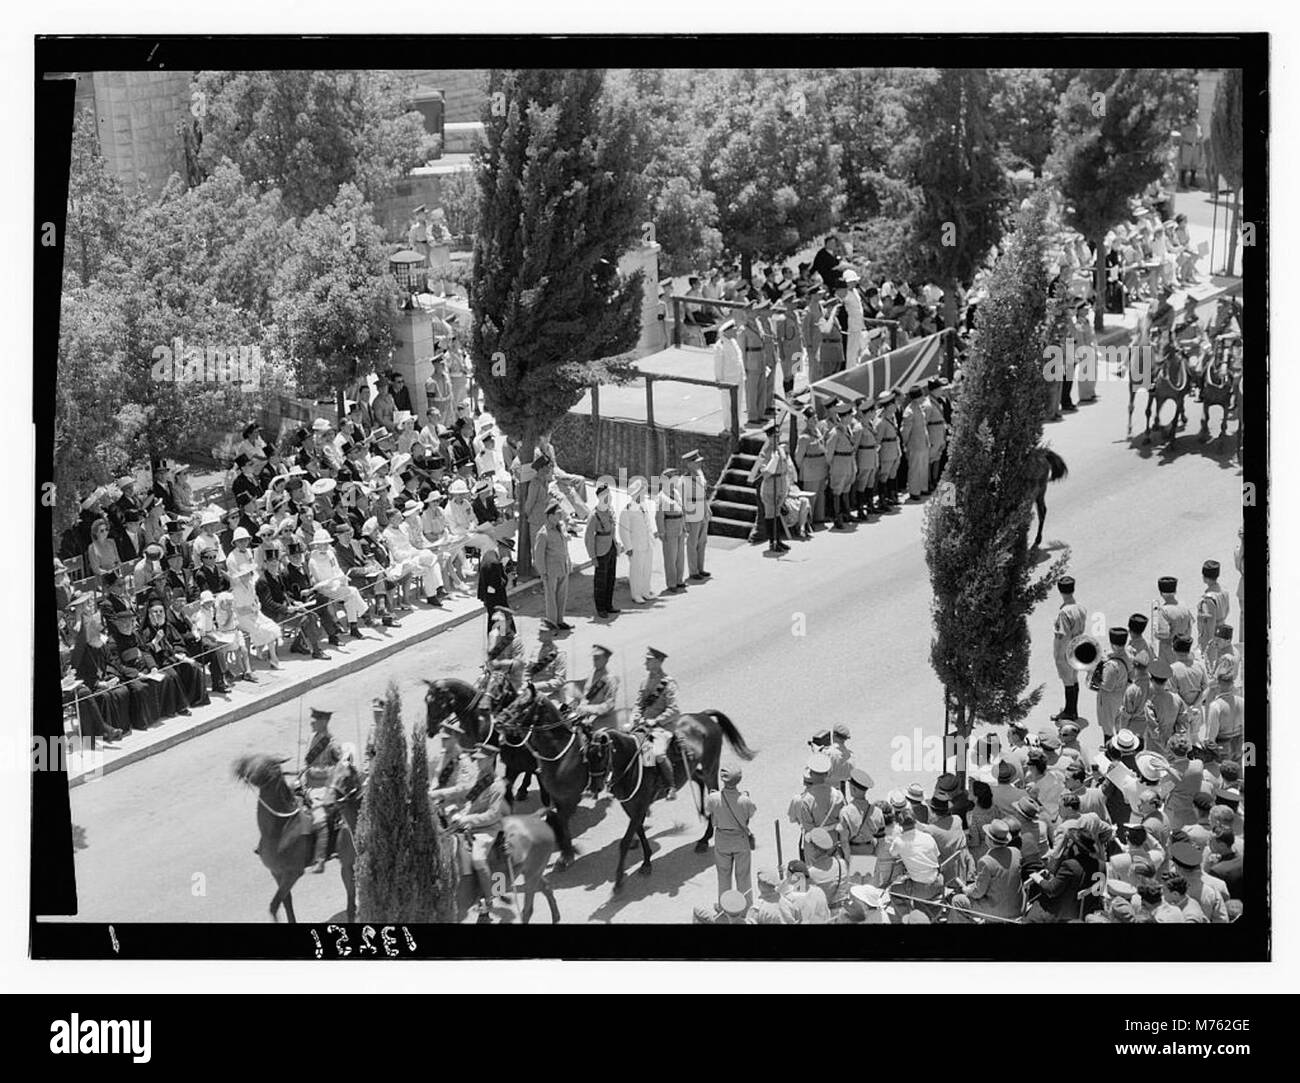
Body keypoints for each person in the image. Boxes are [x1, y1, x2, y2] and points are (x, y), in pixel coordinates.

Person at [433, 744, 509, 924]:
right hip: (468, 824)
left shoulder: (497, 786)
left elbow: (492, 814)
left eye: (482, 758)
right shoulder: (479, 778)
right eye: (477, 758)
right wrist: (457, 813)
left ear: (491, 759)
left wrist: (468, 819)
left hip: (487, 829)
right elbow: (469, 801)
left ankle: (488, 900)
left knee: (478, 859)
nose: (478, 761)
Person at [950, 819, 1024, 923]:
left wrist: (967, 890)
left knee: (957, 900)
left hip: (998, 910)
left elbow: (978, 893)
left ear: (988, 839)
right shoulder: (1016, 852)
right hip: (1017, 906)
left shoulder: (986, 861)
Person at [874, 807, 942, 920]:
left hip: (922, 889)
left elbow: (893, 853)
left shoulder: (900, 841)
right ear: (915, 821)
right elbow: (938, 859)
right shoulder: (928, 837)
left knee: (894, 891)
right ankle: (925, 913)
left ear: (900, 824)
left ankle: (907, 919)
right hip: (938, 883)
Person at [630, 647, 680, 799]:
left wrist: (656, 721)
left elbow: (674, 710)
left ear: (659, 661)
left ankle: (670, 786)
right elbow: (638, 703)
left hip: (662, 727)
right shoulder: (644, 682)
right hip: (644, 724)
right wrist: (636, 716)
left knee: (656, 753)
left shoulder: (669, 684)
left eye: (649, 659)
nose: (645, 662)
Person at [299, 707, 343, 873]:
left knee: (319, 818)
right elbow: (307, 762)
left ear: (323, 722)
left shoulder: (332, 744)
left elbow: (340, 768)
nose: (311, 723)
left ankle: (319, 859)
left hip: (322, 787)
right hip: (306, 782)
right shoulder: (312, 737)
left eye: (315, 720)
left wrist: (316, 772)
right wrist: (305, 773)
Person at [705, 766, 756, 904]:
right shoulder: (745, 799)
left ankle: (725, 908)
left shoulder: (713, 797)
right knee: (744, 876)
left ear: (723, 779)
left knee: (723, 876)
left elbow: (708, 810)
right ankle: (746, 908)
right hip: (740, 838)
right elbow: (751, 813)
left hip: (722, 839)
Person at [788, 753, 844, 862]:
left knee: (815, 874)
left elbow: (807, 826)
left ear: (811, 774)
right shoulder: (838, 795)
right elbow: (843, 821)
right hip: (834, 840)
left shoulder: (806, 799)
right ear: (827, 774)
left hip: (815, 844)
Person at [1051, 576, 1088, 722]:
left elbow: (1062, 636)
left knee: (1067, 681)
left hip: (1066, 650)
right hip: (1077, 647)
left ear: (1060, 590)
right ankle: (1073, 710)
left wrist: (1059, 656)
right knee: (1074, 679)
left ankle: (1069, 711)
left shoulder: (1064, 613)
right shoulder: (1080, 608)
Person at [531, 502, 573, 629]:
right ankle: (552, 622)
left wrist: (569, 563)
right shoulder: (543, 533)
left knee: (561, 596)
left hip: (562, 567)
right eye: (557, 514)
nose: (559, 516)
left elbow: (565, 548)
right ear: (550, 516)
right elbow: (538, 556)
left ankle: (560, 620)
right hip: (551, 570)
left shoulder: (560, 527)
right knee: (551, 598)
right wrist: (543, 572)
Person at [583, 482, 620, 618]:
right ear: (599, 497)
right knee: (601, 581)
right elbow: (589, 538)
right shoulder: (594, 515)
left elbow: (612, 530)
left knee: (611, 578)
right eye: (606, 496)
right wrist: (592, 556)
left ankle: (609, 605)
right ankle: (601, 608)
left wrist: (616, 544)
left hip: (611, 547)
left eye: (609, 495)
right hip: (601, 550)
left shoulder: (609, 511)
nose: (609, 498)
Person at [838, 768, 882, 878]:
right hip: (869, 852)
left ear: (853, 789)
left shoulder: (845, 812)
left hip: (853, 853)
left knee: (855, 891)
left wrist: (848, 860)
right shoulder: (877, 811)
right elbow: (881, 840)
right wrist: (874, 854)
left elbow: (844, 841)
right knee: (866, 890)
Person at [618, 477, 655, 604]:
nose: (645, 495)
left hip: (647, 544)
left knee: (647, 569)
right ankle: (636, 594)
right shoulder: (627, 510)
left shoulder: (643, 507)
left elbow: (648, 525)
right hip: (636, 546)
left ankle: (645, 590)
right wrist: (628, 547)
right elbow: (623, 531)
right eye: (643, 492)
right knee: (636, 570)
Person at [1096, 626, 1135, 739]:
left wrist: (1097, 682)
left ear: (1112, 643)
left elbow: (1107, 686)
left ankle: (1109, 749)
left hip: (1109, 699)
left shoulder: (1111, 665)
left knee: (1107, 727)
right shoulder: (1129, 655)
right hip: (1123, 694)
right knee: (1119, 724)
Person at [679, 450, 712, 582]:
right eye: (696, 462)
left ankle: (700, 568)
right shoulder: (683, 480)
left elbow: (703, 494)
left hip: (702, 511)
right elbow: (681, 500)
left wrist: (707, 508)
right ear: (689, 464)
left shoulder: (700, 475)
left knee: (702, 541)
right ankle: (693, 571)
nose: (700, 464)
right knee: (692, 543)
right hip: (692, 513)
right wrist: (684, 519)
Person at [571, 643, 620, 729]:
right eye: (594, 658)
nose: (594, 661)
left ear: (606, 659)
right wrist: (578, 705)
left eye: (597, 658)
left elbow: (609, 705)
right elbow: (587, 696)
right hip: (588, 719)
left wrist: (588, 709)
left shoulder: (610, 679)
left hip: (603, 723)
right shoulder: (592, 674)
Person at [655, 470, 688, 593]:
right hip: (669, 527)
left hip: (679, 526)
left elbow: (682, 510)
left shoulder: (676, 493)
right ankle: (671, 583)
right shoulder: (661, 496)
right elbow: (659, 516)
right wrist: (661, 532)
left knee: (680, 556)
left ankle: (679, 580)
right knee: (670, 556)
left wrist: (684, 526)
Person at [825, 402, 857, 529]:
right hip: (839, 463)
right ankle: (837, 516)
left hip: (848, 462)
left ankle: (846, 513)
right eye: (850, 416)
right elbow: (829, 453)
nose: (852, 418)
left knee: (846, 487)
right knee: (837, 490)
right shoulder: (835, 432)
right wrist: (832, 466)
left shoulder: (848, 428)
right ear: (844, 416)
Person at [1153, 576, 1194, 666]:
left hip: (1168, 650)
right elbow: (1190, 625)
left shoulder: (1164, 610)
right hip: (1183, 648)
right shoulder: (1184, 606)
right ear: (1175, 591)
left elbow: (1165, 633)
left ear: (1161, 593)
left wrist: (1156, 634)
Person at [900, 385, 931, 500]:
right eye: (921, 395)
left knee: (923, 467)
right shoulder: (909, 411)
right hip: (915, 443)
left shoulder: (919, 407)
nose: (923, 397)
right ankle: (914, 491)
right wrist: (905, 443)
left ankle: (923, 488)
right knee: (915, 468)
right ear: (917, 397)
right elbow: (905, 430)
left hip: (923, 442)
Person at [1197, 559, 1230, 656]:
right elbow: (1227, 610)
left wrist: (1209, 643)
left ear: (1205, 577)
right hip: (1222, 631)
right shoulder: (1224, 592)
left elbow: (1210, 623)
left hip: (1211, 637)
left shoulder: (1208, 599)